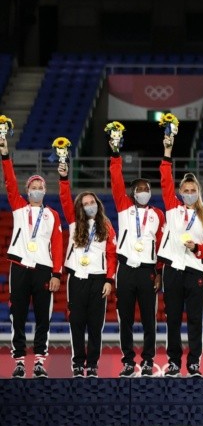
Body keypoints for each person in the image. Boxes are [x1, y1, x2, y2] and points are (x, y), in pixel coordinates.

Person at [1, 136, 64, 378]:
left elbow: (58, 246)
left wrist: (57, 273)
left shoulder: (53, 215)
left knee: (42, 316)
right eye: (33, 187)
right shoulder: (18, 207)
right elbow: (9, 181)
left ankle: (39, 360)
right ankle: (18, 361)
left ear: (45, 191)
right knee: (17, 315)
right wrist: (5, 155)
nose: (37, 190)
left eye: (41, 187)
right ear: (27, 191)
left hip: (43, 270)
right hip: (19, 267)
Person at [160, 136, 203, 377]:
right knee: (172, 319)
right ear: (179, 192)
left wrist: (197, 249)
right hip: (172, 269)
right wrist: (167, 152)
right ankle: (174, 361)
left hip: (196, 271)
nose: (190, 193)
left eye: (193, 190)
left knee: (195, 320)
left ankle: (194, 362)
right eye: (185, 190)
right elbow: (164, 180)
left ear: (199, 192)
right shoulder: (173, 209)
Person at [108, 144, 165, 378]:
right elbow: (115, 179)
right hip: (125, 270)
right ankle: (128, 362)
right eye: (139, 188)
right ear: (132, 193)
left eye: (147, 188)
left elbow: (162, 244)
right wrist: (115, 155)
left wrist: (160, 272)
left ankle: (149, 360)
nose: (143, 191)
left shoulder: (158, 214)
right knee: (126, 319)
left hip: (148, 271)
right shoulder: (123, 207)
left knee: (149, 319)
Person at [58, 161, 118, 377]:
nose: (89, 205)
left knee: (95, 326)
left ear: (98, 204)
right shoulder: (74, 222)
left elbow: (112, 255)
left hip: (98, 280)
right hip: (76, 280)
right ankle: (77, 363)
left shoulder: (107, 226)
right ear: (80, 207)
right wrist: (64, 179)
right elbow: (65, 199)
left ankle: (92, 364)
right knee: (76, 324)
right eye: (85, 203)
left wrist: (109, 280)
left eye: (92, 202)